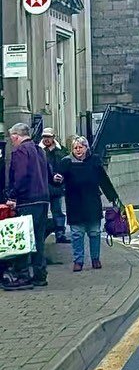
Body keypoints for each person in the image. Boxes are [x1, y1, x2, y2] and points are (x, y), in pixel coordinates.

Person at [54, 136, 119, 271]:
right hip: (74, 203)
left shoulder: (94, 161)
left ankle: (95, 259)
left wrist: (114, 199)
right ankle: (78, 261)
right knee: (77, 234)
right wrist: (56, 179)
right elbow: (57, 178)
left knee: (94, 232)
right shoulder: (66, 162)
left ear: (86, 148)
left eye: (81, 147)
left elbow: (104, 180)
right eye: (75, 148)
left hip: (92, 202)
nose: (78, 150)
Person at [3, 123, 52, 289]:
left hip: (28, 200)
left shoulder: (20, 151)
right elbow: (50, 174)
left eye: (11, 137)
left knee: (22, 239)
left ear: (16, 136)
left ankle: (22, 275)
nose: (11, 141)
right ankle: (40, 275)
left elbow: (21, 176)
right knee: (38, 240)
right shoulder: (40, 151)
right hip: (43, 200)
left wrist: (12, 195)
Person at [39, 128, 70, 243]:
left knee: (57, 211)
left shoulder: (61, 151)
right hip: (43, 187)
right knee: (43, 212)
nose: (46, 139)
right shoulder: (38, 150)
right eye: (44, 137)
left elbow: (67, 166)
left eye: (49, 136)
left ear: (53, 137)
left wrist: (63, 177)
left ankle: (60, 234)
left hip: (57, 186)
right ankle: (41, 235)